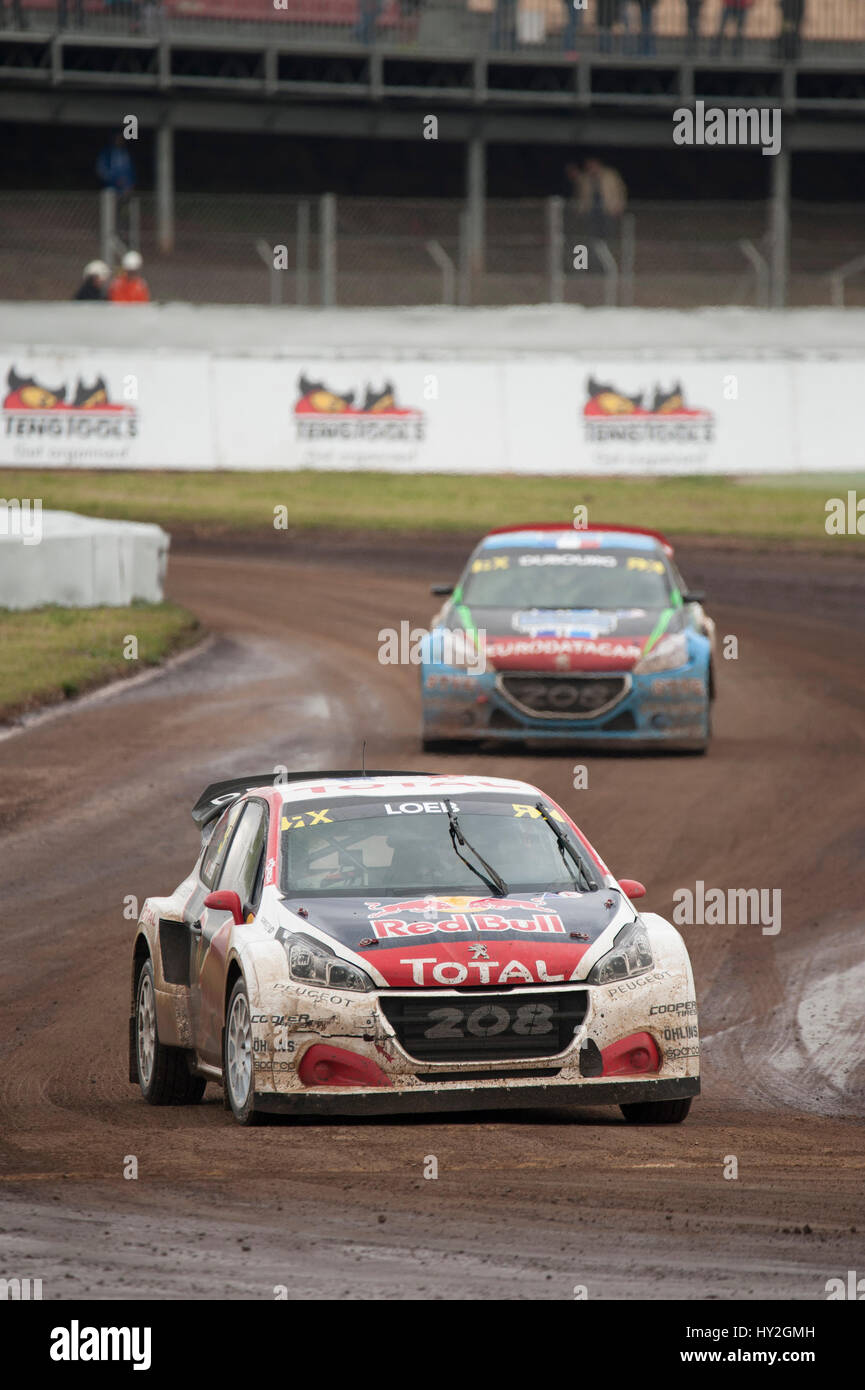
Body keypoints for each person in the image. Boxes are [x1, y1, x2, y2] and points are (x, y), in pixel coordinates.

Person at [567, 156, 628, 254]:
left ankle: (608, 249)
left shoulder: (610, 175)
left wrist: (620, 205)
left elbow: (620, 190)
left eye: (592, 165)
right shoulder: (586, 178)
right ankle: (594, 250)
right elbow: (579, 185)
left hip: (608, 209)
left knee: (608, 230)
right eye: (588, 166)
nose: (590, 168)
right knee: (591, 231)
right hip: (591, 211)